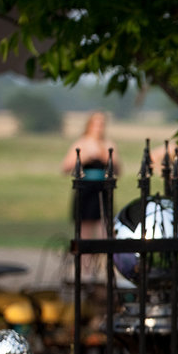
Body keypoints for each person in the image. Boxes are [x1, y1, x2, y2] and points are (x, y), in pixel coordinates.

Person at [61, 111, 121, 278]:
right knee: (85, 229)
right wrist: (84, 158)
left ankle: (103, 267)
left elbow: (118, 169)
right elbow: (65, 167)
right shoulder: (81, 143)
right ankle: (85, 267)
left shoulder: (108, 144)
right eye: (96, 124)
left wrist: (105, 156)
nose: (99, 128)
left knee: (105, 228)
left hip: (103, 188)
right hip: (86, 189)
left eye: (102, 124)